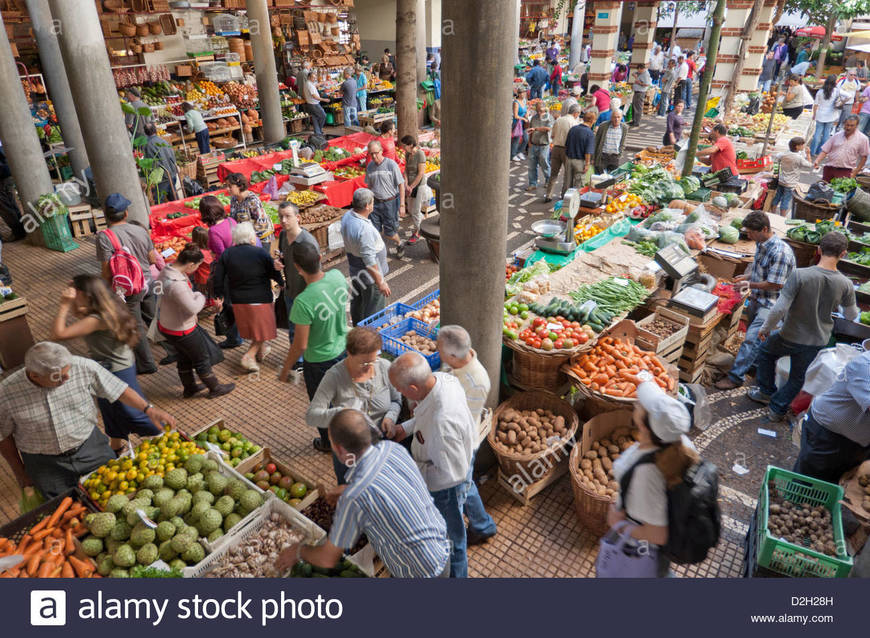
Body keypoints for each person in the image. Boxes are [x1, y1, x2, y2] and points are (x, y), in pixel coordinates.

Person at [275, 409, 451, 578]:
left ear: (340, 450)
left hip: (420, 572)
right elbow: (386, 483)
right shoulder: (392, 449)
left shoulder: (355, 497)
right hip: (441, 546)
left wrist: (298, 551)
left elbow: (327, 558)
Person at [0, 342, 175, 499]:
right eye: (58, 377)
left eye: (67, 371)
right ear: (35, 375)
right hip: (45, 466)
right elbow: (3, 437)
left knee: (115, 496)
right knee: (64, 508)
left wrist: (148, 409)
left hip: (91, 449)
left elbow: (118, 389)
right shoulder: (6, 393)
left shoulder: (82, 366)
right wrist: (20, 473)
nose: (67, 378)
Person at [750, 232, 858, 422]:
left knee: (765, 352)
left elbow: (779, 308)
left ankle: (766, 392)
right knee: (798, 377)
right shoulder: (846, 284)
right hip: (817, 340)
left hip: (789, 335)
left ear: (818, 250)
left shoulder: (800, 275)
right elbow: (851, 315)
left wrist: (765, 329)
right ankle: (777, 409)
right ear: (843, 254)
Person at [387, 353, 477, 578]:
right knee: (468, 486)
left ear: (414, 389)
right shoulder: (441, 380)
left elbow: (450, 476)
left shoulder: (442, 423)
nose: (399, 393)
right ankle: (483, 525)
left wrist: (409, 472)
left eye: (400, 389)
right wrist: (405, 429)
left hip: (446, 484)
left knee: (453, 539)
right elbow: (425, 414)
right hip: (463, 454)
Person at [50, 275, 160, 453]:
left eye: (75, 292)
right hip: (113, 366)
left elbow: (58, 334)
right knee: (111, 411)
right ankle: (116, 448)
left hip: (116, 371)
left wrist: (64, 304)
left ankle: (170, 433)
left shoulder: (97, 319)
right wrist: (74, 296)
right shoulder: (108, 304)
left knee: (132, 412)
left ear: (87, 295)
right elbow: (78, 313)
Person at [606, 372, 695, 578]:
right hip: (658, 543)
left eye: (640, 405)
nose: (636, 404)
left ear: (645, 425)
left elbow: (657, 534)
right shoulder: (681, 443)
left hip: (641, 547)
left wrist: (619, 524)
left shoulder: (646, 473)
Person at [307, 327, 401, 483]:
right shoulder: (334, 376)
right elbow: (312, 416)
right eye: (364, 362)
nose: (370, 367)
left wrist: (390, 418)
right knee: (348, 486)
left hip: (381, 443)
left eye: (373, 360)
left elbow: (396, 400)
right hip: (348, 448)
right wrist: (340, 413)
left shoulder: (384, 366)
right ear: (349, 354)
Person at [279, 243, 350, 451]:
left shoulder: (302, 302)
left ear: (297, 268)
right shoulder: (337, 276)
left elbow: (300, 344)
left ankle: (328, 443)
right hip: (343, 351)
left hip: (319, 362)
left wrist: (285, 369)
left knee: (321, 406)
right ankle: (346, 433)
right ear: (320, 258)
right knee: (342, 397)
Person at [715, 212, 796, 391]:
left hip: (772, 304)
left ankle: (735, 377)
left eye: (751, 232)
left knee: (751, 339)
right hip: (758, 299)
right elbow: (761, 270)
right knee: (757, 340)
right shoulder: (761, 243)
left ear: (764, 229)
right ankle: (754, 366)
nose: (748, 236)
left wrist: (748, 283)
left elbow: (776, 284)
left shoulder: (780, 253)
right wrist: (747, 276)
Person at [437, 325, 498, 546]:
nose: (437, 352)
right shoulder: (454, 364)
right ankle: (483, 525)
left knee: (462, 487)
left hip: (460, 444)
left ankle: (481, 527)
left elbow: (456, 421)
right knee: (466, 484)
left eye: (439, 349)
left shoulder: (476, 382)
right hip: (453, 439)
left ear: (453, 355)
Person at [157, 244, 235, 398]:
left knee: (184, 357)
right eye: (197, 266)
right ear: (191, 264)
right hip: (182, 328)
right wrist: (201, 296)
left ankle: (190, 387)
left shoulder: (166, 270)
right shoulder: (176, 284)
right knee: (201, 358)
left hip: (167, 324)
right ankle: (215, 388)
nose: (196, 270)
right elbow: (192, 308)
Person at [96, 193, 159, 375]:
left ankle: (147, 364)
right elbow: (152, 258)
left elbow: (107, 270)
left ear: (107, 215)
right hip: (148, 281)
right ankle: (174, 351)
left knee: (135, 325)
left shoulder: (105, 237)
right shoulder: (140, 230)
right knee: (155, 317)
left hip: (129, 288)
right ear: (126, 213)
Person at [212, 222, 282, 373]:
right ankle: (249, 356)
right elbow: (274, 272)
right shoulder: (260, 253)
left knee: (255, 328)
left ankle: (261, 351)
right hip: (260, 299)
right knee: (265, 329)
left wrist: (218, 296)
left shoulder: (227, 254)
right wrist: (282, 283)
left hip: (238, 300)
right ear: (251, 237)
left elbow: (218, 278)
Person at [793, 351, 870, 484]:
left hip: (859, 440)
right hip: (828, 434)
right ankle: (796, 501)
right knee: (808, 481)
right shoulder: (865, 366)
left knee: (836, 480)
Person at [341, 188, 390, 326]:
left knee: (359, 302)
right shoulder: (364, 229)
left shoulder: (347, 216)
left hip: (355, 269)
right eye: (372, 202)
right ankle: (368, 339)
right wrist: (380, 282)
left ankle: (358, 331)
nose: (373, 205)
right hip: (369, 276)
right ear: (367, 206)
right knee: (373, 309)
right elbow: (369, 260)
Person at [274, 201, 318, 350]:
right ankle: (298, 362)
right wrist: (278, 262)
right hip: (290, 292)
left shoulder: (307, 242)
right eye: (281, 217)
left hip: (305, 296)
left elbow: (316, 274)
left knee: (306, 331)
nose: (284, 220)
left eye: (288, 216)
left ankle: (303, 361)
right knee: (293, 331)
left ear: (298, 217)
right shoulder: (283, 235)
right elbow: (282, 255)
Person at [365, 140, 405, 257]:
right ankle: (378, 252)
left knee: (389, 232)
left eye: (376, 153)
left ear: (381, 151)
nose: (373, 156)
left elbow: (401, 184)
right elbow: (369, 185)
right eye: (371, 154)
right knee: (374, 230)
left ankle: (399, 242)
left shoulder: (391, 165)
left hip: (390, 203)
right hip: (375, 203)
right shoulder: (370, 167)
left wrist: (402, 205)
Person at [814, 114, 870, 182]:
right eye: (847, 125)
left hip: (845, 171)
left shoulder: (863, 139)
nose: (848, 127)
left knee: (839, 191)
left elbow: (864, 157)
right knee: (824, 189)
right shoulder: (837, 135)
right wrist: (817, 161)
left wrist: (856, 172)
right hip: (829, 169)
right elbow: (825, 150)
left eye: (852, 125)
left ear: (856, 126)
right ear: (844, 124)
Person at [545, 104, 581, 203]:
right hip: (567, 150)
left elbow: (552, 136)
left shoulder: (559, 120)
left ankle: (549, 194)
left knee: (553, 173)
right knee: (568, 174)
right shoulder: (574, 123)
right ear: (576, 113)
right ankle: (564, 195)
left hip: (556, 148)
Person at [226, 172, 271, 248]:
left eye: (230, 186)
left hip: (259, 240)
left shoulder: (252, 200)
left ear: (239, 186)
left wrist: (250, 240)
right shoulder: (234, 199)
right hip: (244, 241)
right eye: (226, 186)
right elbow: (233, 219)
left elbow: (261, 224)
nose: (227, 189)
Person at [400, 135, 431, 244]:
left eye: (405, 146)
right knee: (412, 209)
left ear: (411, 145)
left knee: (416, 210)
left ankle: (421, 231)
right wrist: (406, 183)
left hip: (419, 186)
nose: (403, 148)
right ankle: (423, 226)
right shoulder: (408, 154)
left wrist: (412, 186)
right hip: (410, 185)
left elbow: (421, 173)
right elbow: (406, 170)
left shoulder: (420, 154)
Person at [771, 137, 812, 217]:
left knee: (777, 197)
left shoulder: (783, 154)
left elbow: (776, 161)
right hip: (790, 183)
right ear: (797, 147)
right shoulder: (798, 158)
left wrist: (776, 172)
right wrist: (808, 154)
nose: (803, 146)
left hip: (781, 181)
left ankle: (772, 213)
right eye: (802, 145)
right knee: (785, 200)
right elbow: (809, 165)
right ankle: (782, 217)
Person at [142, 123, 179, 202]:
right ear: (155, 130)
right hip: (172, 173)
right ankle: (181, 212)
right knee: (174, 198)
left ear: (145, 133)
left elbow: (150, 164)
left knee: (158, 200)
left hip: (163, 177)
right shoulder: (163, 141)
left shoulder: (148, 145)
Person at [525, 101, 553, 193]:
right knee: (531, 165)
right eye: (537, 110)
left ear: (544, 109)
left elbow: (548, 129)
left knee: (544, 163)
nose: (539, 112)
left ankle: (548, 180)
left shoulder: (549, 117)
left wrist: (536, 129)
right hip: (534, 144)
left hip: (544, 145)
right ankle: (532, 183)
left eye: (540, 110)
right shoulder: (534, 118)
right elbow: (530, 130)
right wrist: (529, 142)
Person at [565, 110, 596, 190]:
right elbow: (588, 152)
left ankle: (564, 199)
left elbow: (567, 145)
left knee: (567, 183)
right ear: (592, 121)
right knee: (578, 184)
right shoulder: (589, 133)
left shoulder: (573, 129)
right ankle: (575, 201)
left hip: (569, 159)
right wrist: (587, 164)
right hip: (580, 162)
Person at [811, 76, 842, 156]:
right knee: (826, 135)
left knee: (817, 134)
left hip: (820, 114)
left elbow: (815, 105)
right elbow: (848, 95)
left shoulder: (820, 92)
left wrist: (814, 114)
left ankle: (812, 151)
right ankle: (820, 152)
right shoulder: (836, 91)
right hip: (831, 115)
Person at [592, 109, 627, 174]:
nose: (616, 119)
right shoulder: (603, 126)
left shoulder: (624, 128)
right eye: (614, 117)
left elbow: (623, 142)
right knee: (600, 178)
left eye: (618, 117)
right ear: (611, 117)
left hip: (614, 156)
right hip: (602, 156)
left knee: (612, 177)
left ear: (621, 117)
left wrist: (620, 153)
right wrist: (593, 157)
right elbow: (596, 141)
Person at [304, 70, 329, 137]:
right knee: (323, 115)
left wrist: (322, 82)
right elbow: (314, 96)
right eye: (313, 77)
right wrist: (324, 100)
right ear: (309, 77)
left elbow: (315, 85)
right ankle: (319, 130)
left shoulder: (308, 83)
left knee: (315, 117)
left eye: (315, 78)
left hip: (310, 103)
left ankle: (317, 132)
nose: (314, 79)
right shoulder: (310, 85)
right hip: (314, 104)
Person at [190, 226, 213, 295]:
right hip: (213, 275)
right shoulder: (212, 247)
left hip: (202, 279)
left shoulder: (197, 252)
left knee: (203, 293)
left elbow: (191, 268)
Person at [630, 62, 653, 127]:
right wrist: (635, 76)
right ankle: (634, 120)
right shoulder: (640, 73)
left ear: (641, 69)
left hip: (640, 92)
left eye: (638, 69)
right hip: (637, 92)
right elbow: (633, 73)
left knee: (638, 108)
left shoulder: (645, 74)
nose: (638, 71)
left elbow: (647, 84)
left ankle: (636, 122)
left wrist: (639, 82)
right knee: (634, 106)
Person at [510, 87, 530, 161]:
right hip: (517, 124)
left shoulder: (524, 102)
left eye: (525, 92)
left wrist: (527, 112)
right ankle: (513, 155)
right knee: (516, 140)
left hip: (523, 124)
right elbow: (515, 115)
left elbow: (525, 115)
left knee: (526, 139)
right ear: (519, 94)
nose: (524, 94)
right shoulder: (516, 102)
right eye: (522, 93)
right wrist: (524, 119)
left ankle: (519, 152)